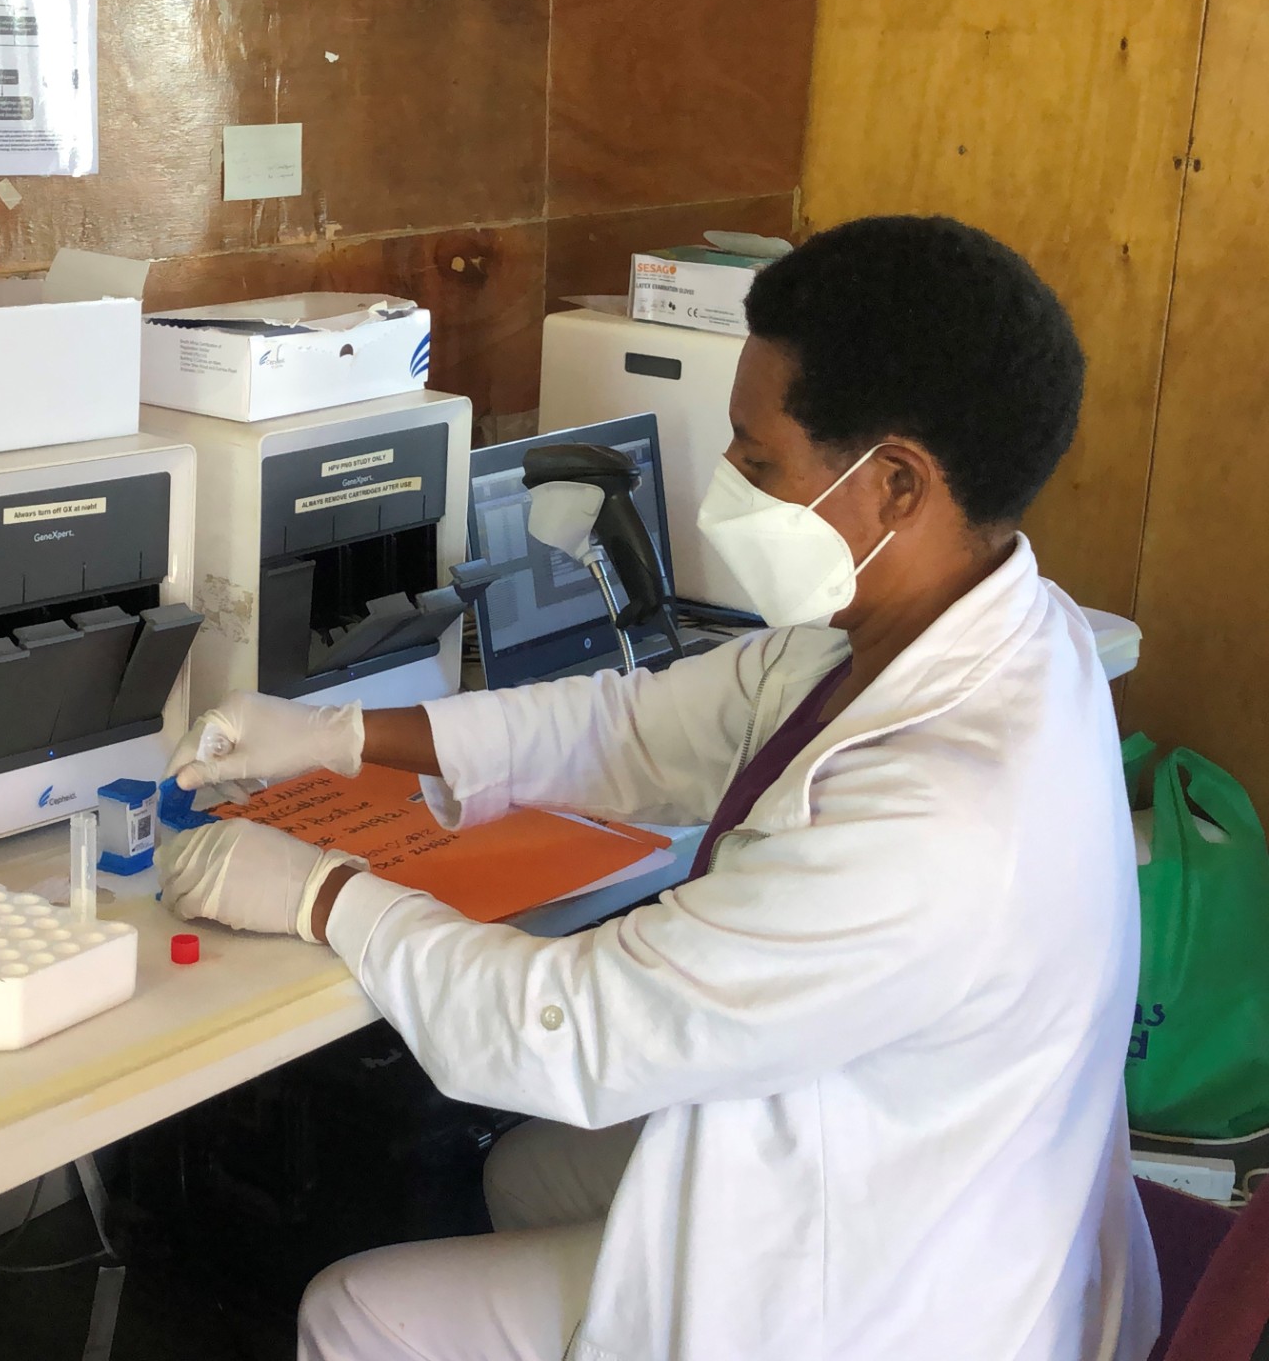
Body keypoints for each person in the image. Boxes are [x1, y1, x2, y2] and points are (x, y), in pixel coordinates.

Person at [157, 215, 1162, 1361]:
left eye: (759, 457)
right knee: (530, 1169)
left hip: (900, 1306)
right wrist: (342, 735)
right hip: (914, 1147)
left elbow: (569, 1032)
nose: (724, 487)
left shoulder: (941, 819)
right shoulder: (971, 633)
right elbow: (629, 726)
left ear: (894, 485)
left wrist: (322, 895)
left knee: (355, 1310)